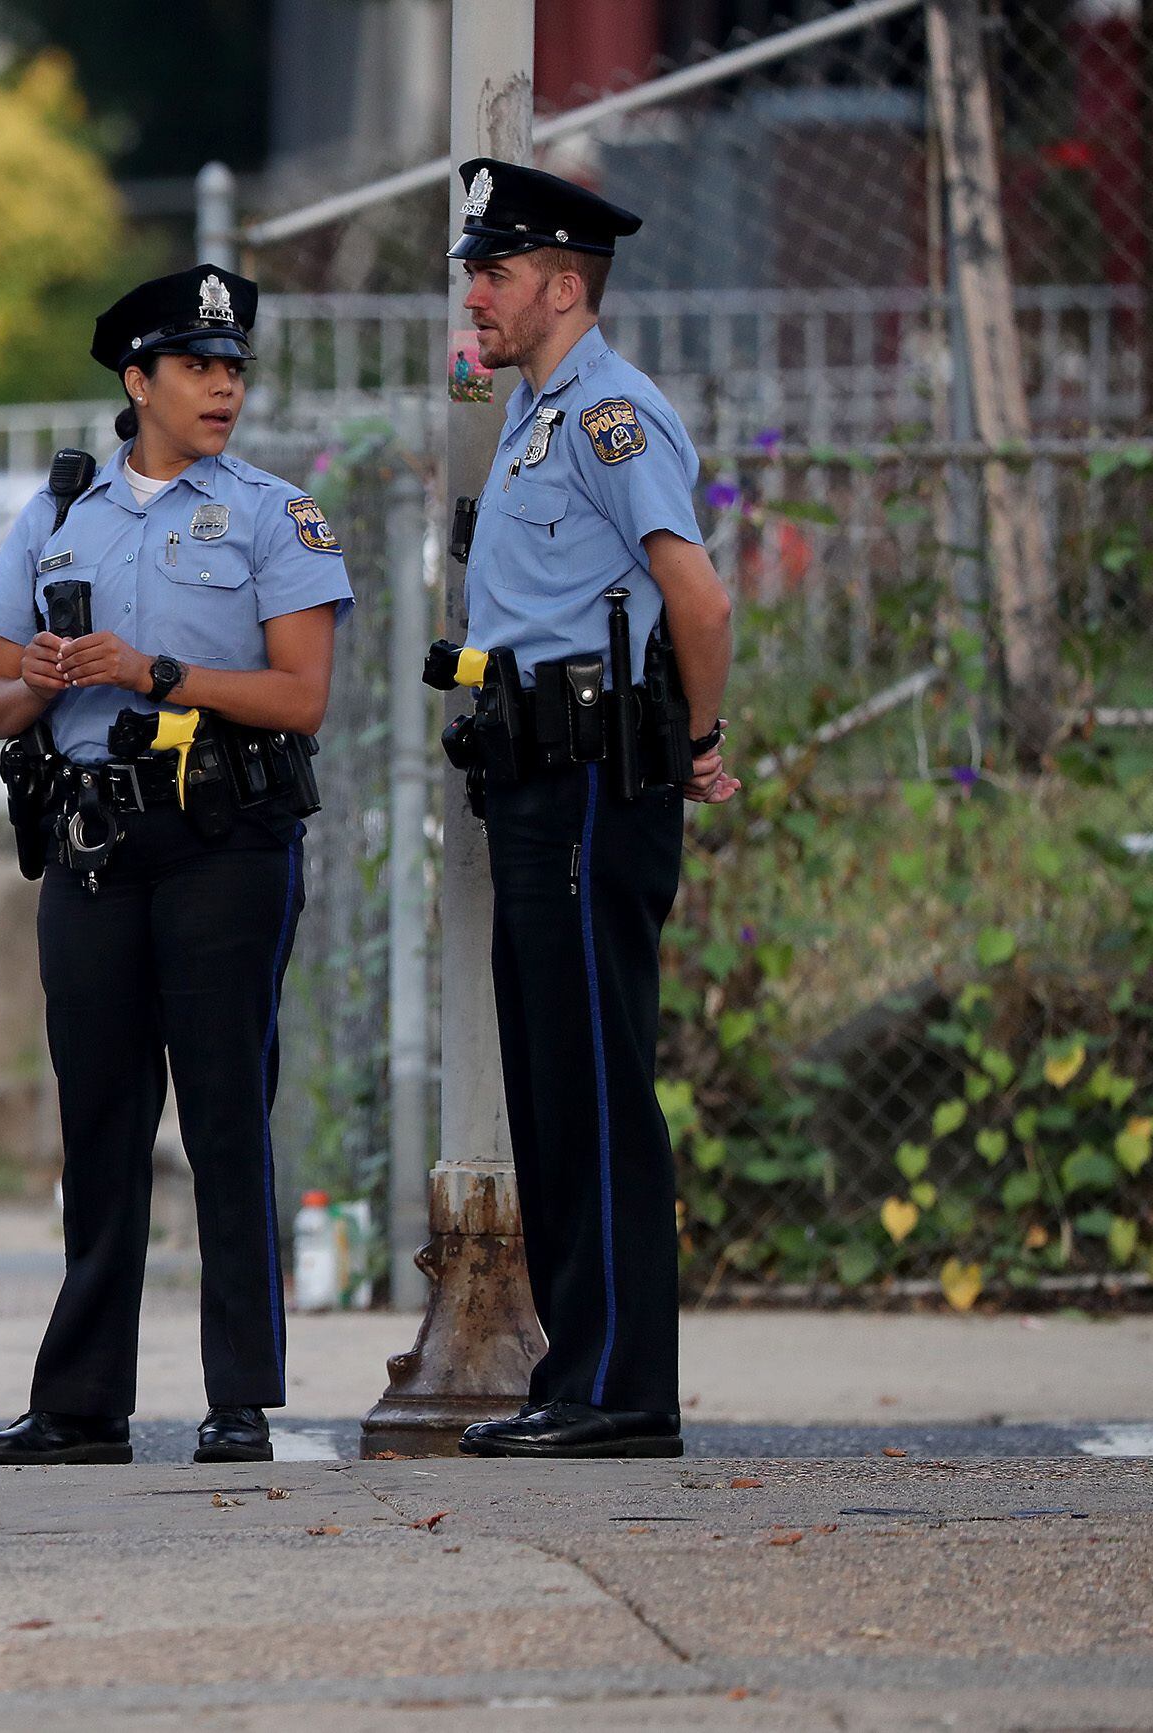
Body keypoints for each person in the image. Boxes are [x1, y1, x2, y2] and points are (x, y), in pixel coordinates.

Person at [0, 265, 353, 1466]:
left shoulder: (270, 516)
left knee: (225, 1114)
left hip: (222, 847)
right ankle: (81, 1403)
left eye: (232, 368)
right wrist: (35, 675)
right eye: (195, 368)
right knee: (99, 1120)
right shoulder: (56, 515)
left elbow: (301, 696)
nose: (222, 388)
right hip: (92, 847)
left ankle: (240, 1399)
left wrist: (153, 673)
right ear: (136, 384)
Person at [437, 160, 741, 1461]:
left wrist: (700, 738)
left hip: (591, 784)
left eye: (495, 272)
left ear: (563, 283)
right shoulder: (531, 412)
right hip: (531, 784)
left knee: (601, 1083)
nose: (477, 296)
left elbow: (701, 598)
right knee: (553, 1079)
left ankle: (624, 1387)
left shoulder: (615, 416)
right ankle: (580, 1373)